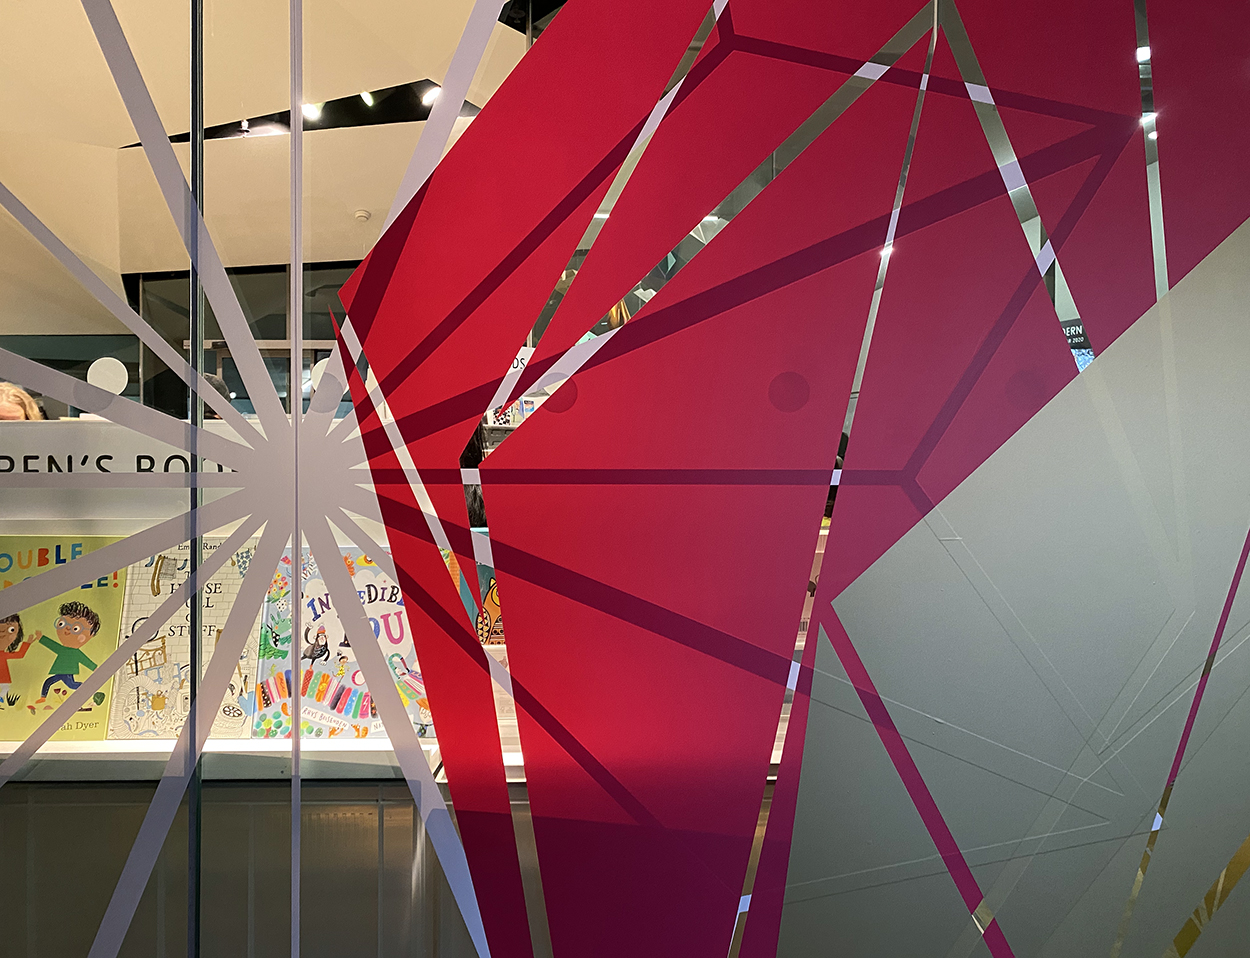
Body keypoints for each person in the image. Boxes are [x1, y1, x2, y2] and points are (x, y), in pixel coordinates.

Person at [33, 601, 101, 705]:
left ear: (90, 635)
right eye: (62, 624)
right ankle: (43, 697)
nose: (67, 629)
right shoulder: (62, 649)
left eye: (76, 628)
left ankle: (89, 689)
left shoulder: (76, 653)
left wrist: (95, 668)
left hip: (67, 672)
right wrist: (41, 638)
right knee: (49, 681)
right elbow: (52, 645)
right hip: (60, 671)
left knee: (72, 685)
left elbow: (85, 660)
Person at [0, 615, 36, 707]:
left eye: (11, 630)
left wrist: (27, 644)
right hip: (4, 677)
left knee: (6, 688)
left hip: (4, 677)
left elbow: (20, 655)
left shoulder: (4, 654)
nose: (2, 633)